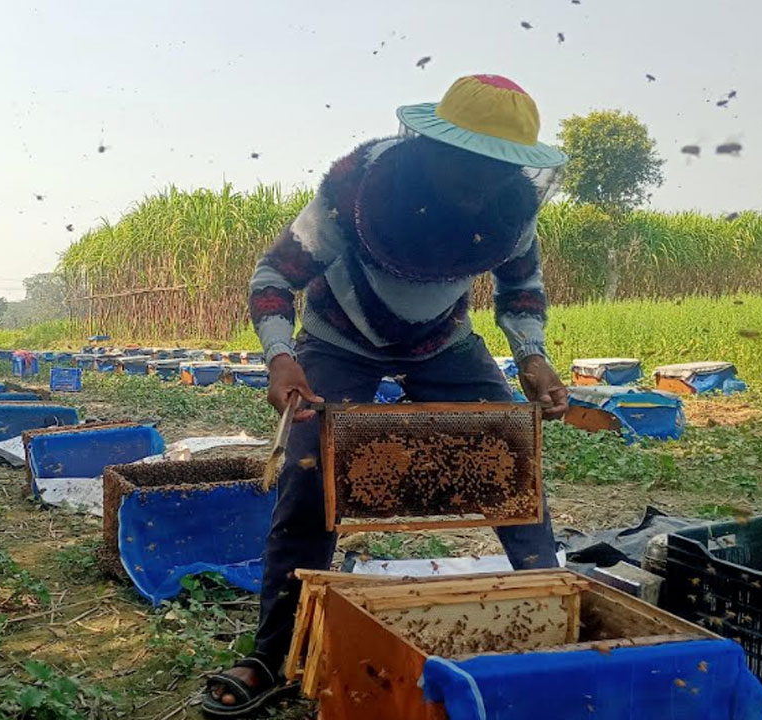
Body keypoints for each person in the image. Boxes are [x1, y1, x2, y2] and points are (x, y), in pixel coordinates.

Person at [201, 73, 570, 717]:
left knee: (512, 458)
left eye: (497, 170)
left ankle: (553, 614)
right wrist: (281, 358)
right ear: (433, 149)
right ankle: (275, 651)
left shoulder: (513, 211)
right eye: (468, 168)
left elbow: (521, 294)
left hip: (444, 340)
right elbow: (272, 278)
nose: (479, 187)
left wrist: (533, 357)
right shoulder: (355, 187)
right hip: (338, 335)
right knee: (312, 471)